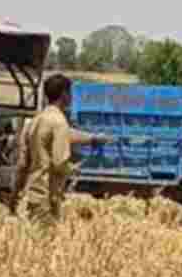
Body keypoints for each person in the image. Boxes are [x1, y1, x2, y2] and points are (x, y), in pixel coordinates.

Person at [13, 73, 113, 224]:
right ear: (64, 94)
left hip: (33, 194)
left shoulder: (34, 122)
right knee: (48, 239)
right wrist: (72, 169)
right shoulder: (59, 122)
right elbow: (59, 163)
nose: (71, 97)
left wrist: (14, 196)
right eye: (70, 93)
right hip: (48, 196)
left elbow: (22, 164)